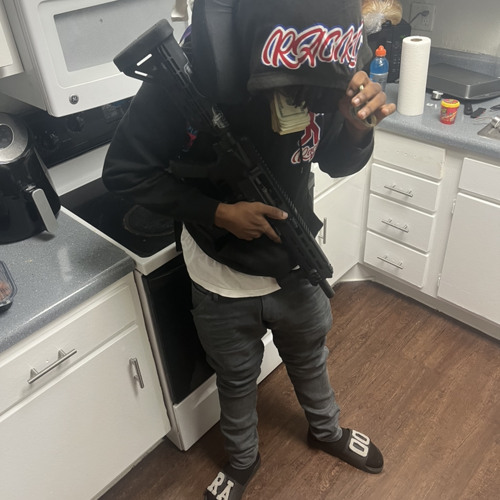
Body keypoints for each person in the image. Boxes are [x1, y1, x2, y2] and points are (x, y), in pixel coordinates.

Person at [103, 1, 396, 498]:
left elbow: (334, 162)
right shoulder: (190, 74)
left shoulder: (324, 72)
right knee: (236, 379)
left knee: (310, 357)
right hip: (218, 276)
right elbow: (124, 172)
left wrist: (354, 128)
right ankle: (243, 462)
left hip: (295, 266)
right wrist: (219, 212)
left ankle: (326, 431)